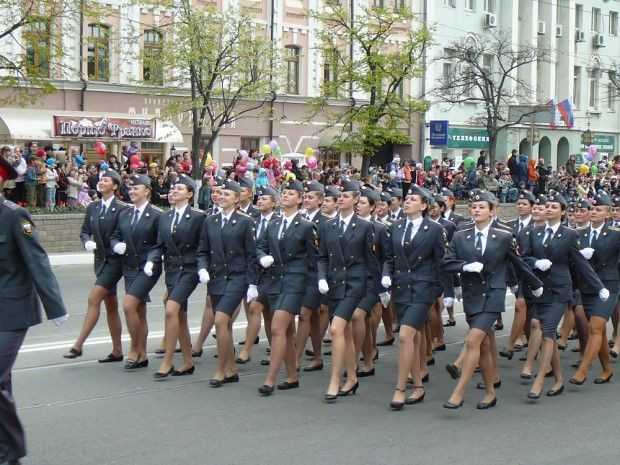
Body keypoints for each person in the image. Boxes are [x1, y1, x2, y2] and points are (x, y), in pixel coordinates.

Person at [441, 190, 543, 409]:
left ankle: (458, 393)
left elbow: (519, 263)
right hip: (471, 295)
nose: (476, 210)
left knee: (472, 340)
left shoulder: (504, 236)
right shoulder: (461, 236)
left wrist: (535, 286)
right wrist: (464, 266)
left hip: (493, 295)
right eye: (473, 207)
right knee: (484, 347)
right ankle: (490, 392)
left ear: (492, 211)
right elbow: (446, 262)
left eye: (481, 207)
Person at [0, 156, 68, 465]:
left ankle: (10, 451)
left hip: (11, 312)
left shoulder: (15, 217)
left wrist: (55, 306)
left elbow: (37, 260)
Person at [521, 191, 605, 399]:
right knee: (543, 330)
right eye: (547, 206)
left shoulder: (569, 234)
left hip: (560, 289)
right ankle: (559, 379)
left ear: (563, 212)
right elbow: (525, 257)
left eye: (554, 207)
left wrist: (598, 286)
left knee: (548, 330)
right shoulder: (535, 232)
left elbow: (580, 262)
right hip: (540, 288)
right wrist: (535, 263)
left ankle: (540, 379)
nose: (549, 209)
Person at [317, 178, 382, 402]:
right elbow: (322, 257)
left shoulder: (365, 226)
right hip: (334, 284)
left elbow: (371, 260)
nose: (341, 199)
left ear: (355, 200)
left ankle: (335, 379)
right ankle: (352, 377)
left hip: (355, 285)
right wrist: (321, 277)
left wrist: (378, 290)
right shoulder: (327, 226)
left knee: (335, 329)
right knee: (343, 334)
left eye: (346, 196)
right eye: (340, 196)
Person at [383, 185, 445, 409]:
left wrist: (441, 291)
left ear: (424, 205)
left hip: (422, 289)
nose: (407, 201)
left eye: (412, 199)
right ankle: (418, 386)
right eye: (406, 198)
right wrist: (386, 276)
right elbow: (389, 257)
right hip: (400, 288)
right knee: (415, 336)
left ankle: (400, 388)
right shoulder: (397, 226)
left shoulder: (434, 230)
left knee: (405, 336)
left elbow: (440, 262)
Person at [256, 179, 318, 395]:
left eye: (291, 194)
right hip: (275, 280)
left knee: (277, 328)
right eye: (284, 193)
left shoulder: (307, 227)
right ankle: (292, 376)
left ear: (300, 200)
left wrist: (316, 285)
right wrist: (263, 256)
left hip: (295, 282)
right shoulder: (273, 224)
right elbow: (260, 246)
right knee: (288, 331)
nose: (285, 196)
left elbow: (315, 259)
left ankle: (270, 379)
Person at [196, 179, 257, 386]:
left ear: (237, 199)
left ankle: (221, 369)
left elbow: (251, 255)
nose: (222, 197)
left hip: (236, 277)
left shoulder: (245, 222)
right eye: (220, 194)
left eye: (227, 195)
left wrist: (252, 284)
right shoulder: (209, 220)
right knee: (225, 327)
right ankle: (231, 370)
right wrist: (202, 267)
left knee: (221, 320)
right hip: (215, 277)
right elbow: (203, 250)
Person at [64, 169, 127, 362]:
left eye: (106, 180)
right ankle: (117, 350)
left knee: (93, 298)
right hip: (100, 261)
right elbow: (84, 231)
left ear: (115, 186)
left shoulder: (123, 208)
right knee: (111, 306)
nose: (101, 182)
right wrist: (86, 241)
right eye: (100, 180)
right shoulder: (93, 207)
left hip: (115, 262)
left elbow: (123, 234)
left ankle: (78, 345)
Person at [146, 174, 204, 379]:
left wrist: (203, 268)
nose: (173, 191)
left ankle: (168, 361)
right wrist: (151, 260)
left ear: (189, 193)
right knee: (180, 315)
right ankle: (188, 362)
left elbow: (203, 246)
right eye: (172, 188)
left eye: (179, 189)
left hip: (189, 270)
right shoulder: (164, 217)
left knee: (171, 309)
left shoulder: (198, 217)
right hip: (171, 270)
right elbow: (159, 245)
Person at [110, 174, 163, 369]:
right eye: (130, 189)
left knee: (128, 305)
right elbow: (115, 235)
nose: (132, 191)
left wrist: (152, 261)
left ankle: (134, 348)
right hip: (130, 266)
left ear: (147, 191)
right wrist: (116, 245)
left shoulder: (157, 214)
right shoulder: (125, 213)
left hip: (148, 268)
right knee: (140, 310)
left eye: (136, 188)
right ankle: (142, 354)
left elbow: (159, 243)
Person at [570, 192, 618, 385]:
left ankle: (583, 370)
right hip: (587, 287)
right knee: (600, 332)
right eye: (593, 209)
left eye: (598, 210)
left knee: (595, 328)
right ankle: (607, 370)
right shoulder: (579, 234)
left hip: (608, 287)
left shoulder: (615, 235)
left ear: (607, 214)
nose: (594, 212)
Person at [236, 185, 279, 365]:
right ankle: (272, 349)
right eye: (259, 198)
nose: (260, 201)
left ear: (274, 203)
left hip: (273, 272)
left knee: (259, 309)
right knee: (265, 313)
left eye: (265, 199)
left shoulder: (279, 220)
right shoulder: (251, 219)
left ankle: (247, 350)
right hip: (254, 271)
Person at [295, 180, 329, 372]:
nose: (307, 200)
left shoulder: (325, 222)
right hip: (300, 273)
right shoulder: (298, 218)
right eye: (305, 197)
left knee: (304, 314)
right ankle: (317, 356)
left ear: (320, 200)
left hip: (316, 274)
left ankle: (296, 358)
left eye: (311, 197)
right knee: (314, 316)